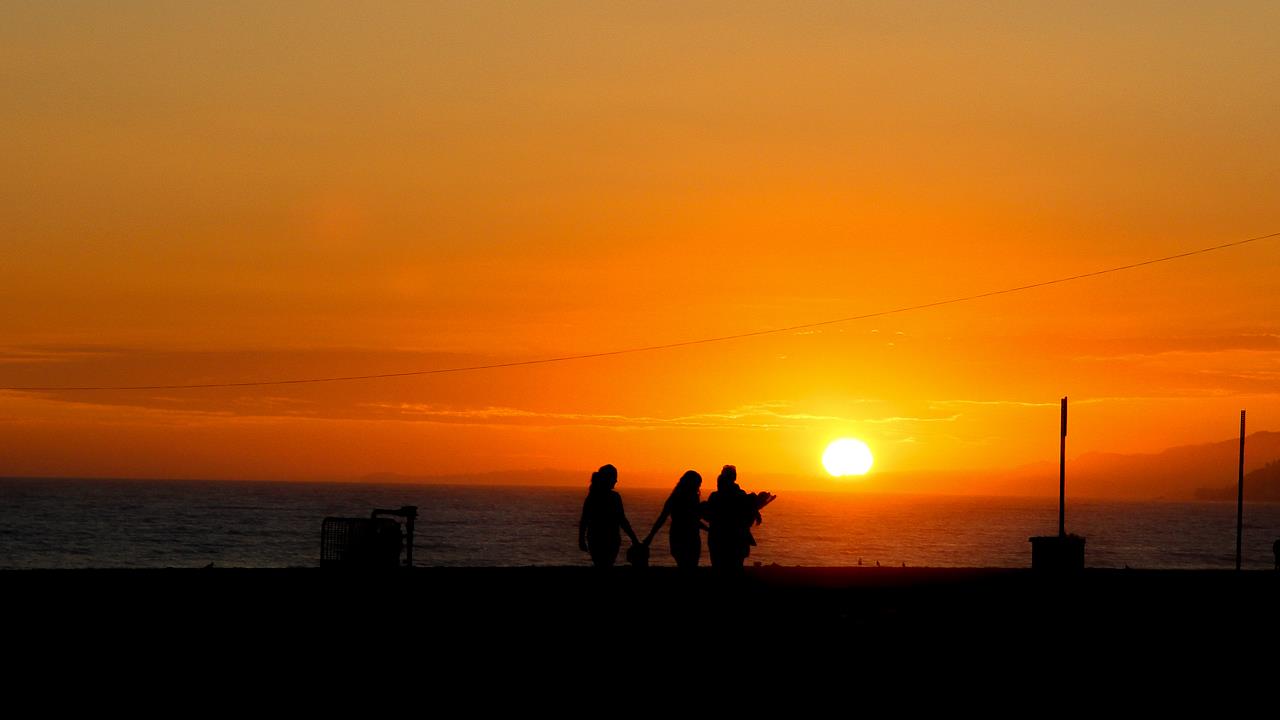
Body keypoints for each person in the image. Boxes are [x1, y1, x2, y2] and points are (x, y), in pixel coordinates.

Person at [702, 465, 775, 572]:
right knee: (735, 570)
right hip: (736, 542)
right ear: (734, 478)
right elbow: (747, 518)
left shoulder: (716, 496)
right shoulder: (741, 496)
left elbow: (709, 516)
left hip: (718, 540)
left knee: (719, 570)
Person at [642, 470, 708, 570]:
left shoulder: (676, 497)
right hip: (687, 537)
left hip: (680, 536)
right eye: (697, 484)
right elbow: (691, 519)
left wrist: (650, 536)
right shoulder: (685, 498)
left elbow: (663, 518)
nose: (698, 488)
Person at [578, 464, 640, 568]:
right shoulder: (614, 497)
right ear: (609, 479)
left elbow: (584, 520)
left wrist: (581, 539)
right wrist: (634, 539)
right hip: (610, 539)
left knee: (601, 565)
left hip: (595, 538)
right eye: (615, 478)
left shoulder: (592, 497)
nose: (616, 481)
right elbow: (622, 520)